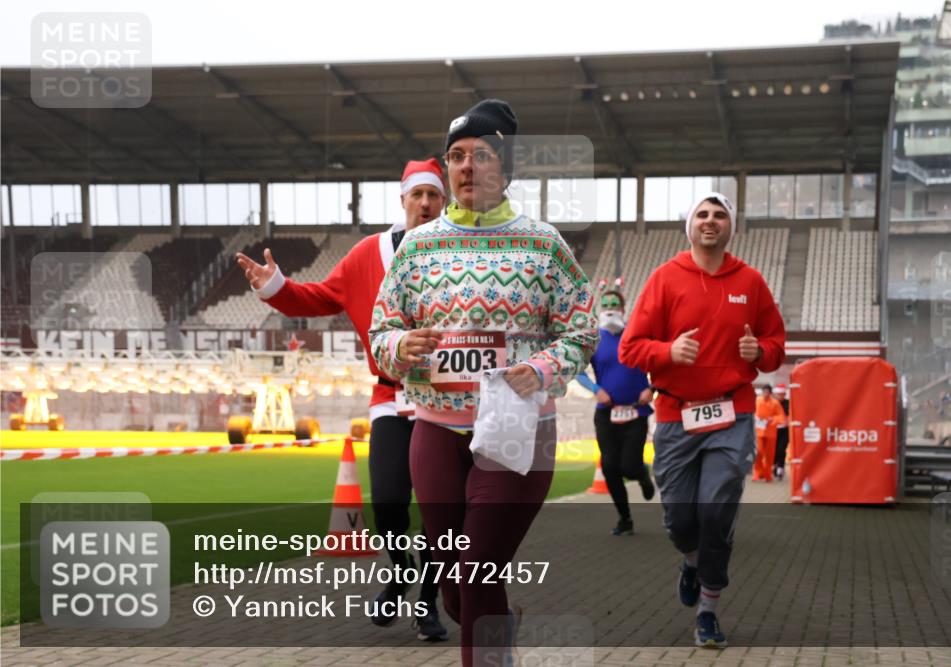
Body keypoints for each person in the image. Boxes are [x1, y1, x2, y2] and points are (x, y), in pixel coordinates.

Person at [369, 98, 598, 667]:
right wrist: (401, 346)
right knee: (456, 587)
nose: (467, 166)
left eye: (482, 154)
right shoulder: (416, 247)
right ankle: (498, 628)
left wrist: (541, 369)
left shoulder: (544, 244)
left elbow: (582, 328)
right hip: (435, 432)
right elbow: (381, 332)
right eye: (456, 156)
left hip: (518, 431)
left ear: (506, 167)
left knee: (475, 570)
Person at [235, 158, 449, 642]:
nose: (425, 203)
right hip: (391, 397)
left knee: (440, 512)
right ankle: (400, 570)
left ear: (444, 202)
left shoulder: (460, 255)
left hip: (446, 401)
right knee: (389, 502)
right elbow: (317, 298)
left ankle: (428, 602)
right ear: (403, 200)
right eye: (417, 194)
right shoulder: (367, 254)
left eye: (434, 195)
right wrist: (274, 285)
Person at [619, 192, 786, 649]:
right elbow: (630, 348)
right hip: (676, 414)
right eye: (703, 214)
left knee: (717, 509)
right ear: (689, 225)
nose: (711, 221)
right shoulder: (664, 278)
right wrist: (668, 351)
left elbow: (776, 345)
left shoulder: (750, 280)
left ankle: (709, 609)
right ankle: (692, 562)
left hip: (733, 412)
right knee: (679, 520)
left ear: (731, 226)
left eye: (720, 215)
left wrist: (760, 351)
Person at [576, 278, 655, 535]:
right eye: (606, 304)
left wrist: (651, 388)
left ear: (623, 308)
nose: (610, 309)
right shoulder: (594, 339)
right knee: (610, 467)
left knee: (629, 466)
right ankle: (625, 518)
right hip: (606, 414)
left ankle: (641, 473)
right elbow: (578, 370)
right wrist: (596, 389)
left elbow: (659, 362)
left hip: (636, 412)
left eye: (614, 305)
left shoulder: (637, 334)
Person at [753, 383, 786, 482]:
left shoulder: (775, 403)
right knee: (758, 452)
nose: (766, 394)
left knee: (769, 455)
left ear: (770, 393)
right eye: (764, 392)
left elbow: (781, 417)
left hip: (771, 432)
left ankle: (767, 474)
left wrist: (772, 419)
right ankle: (758, 472)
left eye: (767, 392)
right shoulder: (757, 401)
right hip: (758, 431)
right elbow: (751, 412)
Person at [772, 384, 790, 480]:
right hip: (773, 430)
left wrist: (787, 420)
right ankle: (774, 466)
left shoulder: (788, 403)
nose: (780, 396)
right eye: (778, 394)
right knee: (774, 450)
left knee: (781, 449)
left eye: (782, 394)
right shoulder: (772, 403)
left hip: (785, 430)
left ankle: (780, 468)